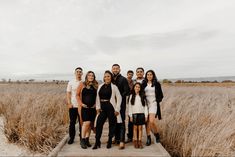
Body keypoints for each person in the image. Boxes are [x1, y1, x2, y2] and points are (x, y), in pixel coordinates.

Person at [93, 70, 122, 149]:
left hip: (110, 107)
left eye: (108, 76)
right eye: (105, 76)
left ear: (111, 77)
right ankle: (97, 142)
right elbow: (97, 98)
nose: (107, 78)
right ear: (104, 77)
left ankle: (109, 141)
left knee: (112, 125)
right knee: (99, 124)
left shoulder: (114, 87)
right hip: (102, 107)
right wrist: (98, 107)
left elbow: (119, 97)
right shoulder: (100, 86)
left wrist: (117, 109)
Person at [126, 67, 151, 146]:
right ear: (136, 73)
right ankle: (132, 138)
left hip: (142, 103)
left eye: (141, 72)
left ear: (143, 73)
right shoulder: (133, 82)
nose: (139, 73)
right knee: (132, 125)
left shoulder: (146, 81)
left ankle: (141, 139)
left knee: (140, 126)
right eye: (138, 72)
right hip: (133, 105)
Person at [76, 71, 98, 149]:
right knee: (86, 123)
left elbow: (97, 96)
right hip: (84, 107)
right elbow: (77, 95)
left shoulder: (96, 85)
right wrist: (81, 104)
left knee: (90, 124)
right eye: (89, 75)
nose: (91, 77)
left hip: (92, 108)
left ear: (94, 77)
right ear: (87, 76)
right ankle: (82, 139)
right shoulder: (82, 84)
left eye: (92, 75)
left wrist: (96, 104)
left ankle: (87, 139)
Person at [112, 64, 130, 149]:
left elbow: (127, 91)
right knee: (114, 121)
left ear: (119, 69)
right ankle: (116, 138)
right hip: (112, 104)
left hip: (121, 103)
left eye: (117, 68)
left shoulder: (123, 79)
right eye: (114, 69)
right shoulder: (111, 79)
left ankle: (122, 140)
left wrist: (118, 97)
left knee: (121, 120)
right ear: (112, 70)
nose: (115, 70)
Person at [142, 70, 164, 143]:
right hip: (145, 104)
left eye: (150, 74)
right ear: (146, 76)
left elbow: (161, 95)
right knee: (146, 121)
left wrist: (157, 100)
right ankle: (148, 137)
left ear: (153, 75)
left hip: (153, 104)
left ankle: (157, 135)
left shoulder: (157, 84)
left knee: (151, 121)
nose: (149, 76)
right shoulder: (144, 83)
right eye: (148, 74)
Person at [66, 67, 83, 144]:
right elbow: (68, 93)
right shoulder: (71, 82)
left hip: (82, 106)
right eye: (77, 72)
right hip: (73, 106)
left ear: (82, 73)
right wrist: (69, 103)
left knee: (81, 123)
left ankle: (82, 138)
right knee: (72, 122)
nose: (79, 73)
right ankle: (71, 138)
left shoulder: (84, 82)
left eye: (80, 72)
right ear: (75, 73)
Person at [128, 82, 148, 149]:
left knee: (140, 128)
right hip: (134, 114)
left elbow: (145, 107)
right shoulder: (131, 96)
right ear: (134, 88)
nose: (137, 88)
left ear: (140, 88)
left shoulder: (143, 96)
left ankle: (140, 141)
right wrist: (130, 115)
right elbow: (130, 107)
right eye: (136, 87)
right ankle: (135, 140)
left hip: (141, 114)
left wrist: (146, 115)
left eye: (139, 87)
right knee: (135, 128)